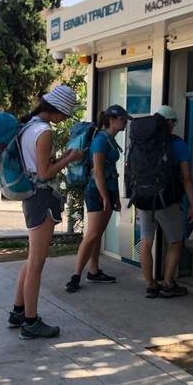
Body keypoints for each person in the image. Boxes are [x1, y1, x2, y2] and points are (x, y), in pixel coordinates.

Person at [8, 85, 83, 339]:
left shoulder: (27, 126)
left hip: (31, 197)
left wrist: (61, 158)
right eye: (66, 114)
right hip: (42, 198)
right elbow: (44, 173)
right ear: (58, 110)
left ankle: (18, 312)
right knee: (37, 263)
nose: (65, 118)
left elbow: (37, 167)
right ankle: (31, 323)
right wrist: (70, 158)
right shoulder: (44, 131)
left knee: (32, 260)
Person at [65, 104, 130, 292]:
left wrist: (114, 196)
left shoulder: (110, 140)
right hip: (97, 191)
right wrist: (106, 198)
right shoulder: (101, 140)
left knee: (97, 233)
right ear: (112, 120)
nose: (125, 122)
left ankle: (93, 271)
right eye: (123, 119)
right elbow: (99, 173)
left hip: (106, 191)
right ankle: (75, 276)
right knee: (92, 234)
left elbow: (112, 172)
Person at [137, 104, 193, 298]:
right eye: (174, 122)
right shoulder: (177, 144)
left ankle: (150, 285)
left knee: (146, 241)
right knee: (176, 240)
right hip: (165, 200)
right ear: (169, 122)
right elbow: (186, 178)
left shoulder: (142, 141)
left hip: (142, 198)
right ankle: (168, 283)